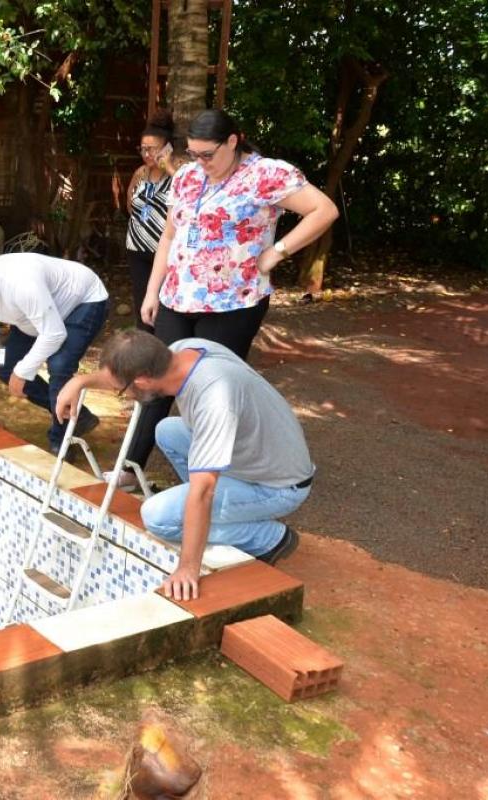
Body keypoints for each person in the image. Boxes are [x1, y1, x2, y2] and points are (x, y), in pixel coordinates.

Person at [115, 109, 337, 489]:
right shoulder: (186, 176)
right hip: (177, 297)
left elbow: (323, 210)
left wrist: (277, 252)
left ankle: (210, 482)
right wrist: (152, 291)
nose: (200, 162)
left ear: (232, 141)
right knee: (154, 378)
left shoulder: (265, 174)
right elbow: (169, 236)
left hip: (233, 304)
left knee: (211, 391)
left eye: (208, 154)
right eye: (194, 153)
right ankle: (129, 468)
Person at [57, 329, 313, 600]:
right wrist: (80, 381)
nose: (123, 395)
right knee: (167, 430)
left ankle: (269, 538)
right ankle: (214, 512)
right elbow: (122, 374)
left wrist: (188, 568)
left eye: (121, 391)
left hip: (276, 487)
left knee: (158, 517)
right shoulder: (182, 350)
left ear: (142, 380)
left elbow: (203, 491)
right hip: (256, 458)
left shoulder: (214, 399)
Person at [0, 252, 109, 456]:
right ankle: (78, 415)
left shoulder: (22, 283)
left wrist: (22, 372)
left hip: (82, 302)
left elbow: (54, 333)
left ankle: (61, 441)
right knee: (4, 366)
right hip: (35, 317)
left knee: (59, 365)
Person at [124, 109, 182, 332]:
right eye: (143, 149)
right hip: (137, 249)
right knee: (142, 302)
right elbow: (130, 204)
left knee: (164, 304)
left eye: (153, 149)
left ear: (167, 148)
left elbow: (191, 194)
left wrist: (169, 167)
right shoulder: (141, 172)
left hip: (165, 251)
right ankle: (145, 344)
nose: (147, 154)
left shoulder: (180, 172)